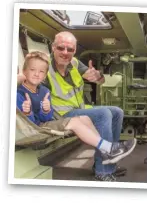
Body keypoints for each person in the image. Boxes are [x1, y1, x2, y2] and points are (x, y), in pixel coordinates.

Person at [17, 51, 136, 165]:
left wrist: (46, 110)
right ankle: (109, 149)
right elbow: (28, 123)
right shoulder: (20, 93)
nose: (37, 74)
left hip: (47, 122)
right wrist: (27, 112)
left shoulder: (44, 91)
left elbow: (46, 117)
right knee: (76, 122)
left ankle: (106, 152)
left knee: (84, 118)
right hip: (35, 128)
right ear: (24, 72)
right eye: (32, 70)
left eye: (41, 72)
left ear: (44, 75)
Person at [44, 31, 126, 181]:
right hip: (60, 115)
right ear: (53, 47)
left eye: (70, 49)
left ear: (74, 50)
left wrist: (98, 77)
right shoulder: (45, 67)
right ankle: (103, 170)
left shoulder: (74, 63)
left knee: (117, 112)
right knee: (103, 113)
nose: (65, 53)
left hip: (78, 109)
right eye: (61, 48)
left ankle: (109, 164)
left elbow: (99, 81)